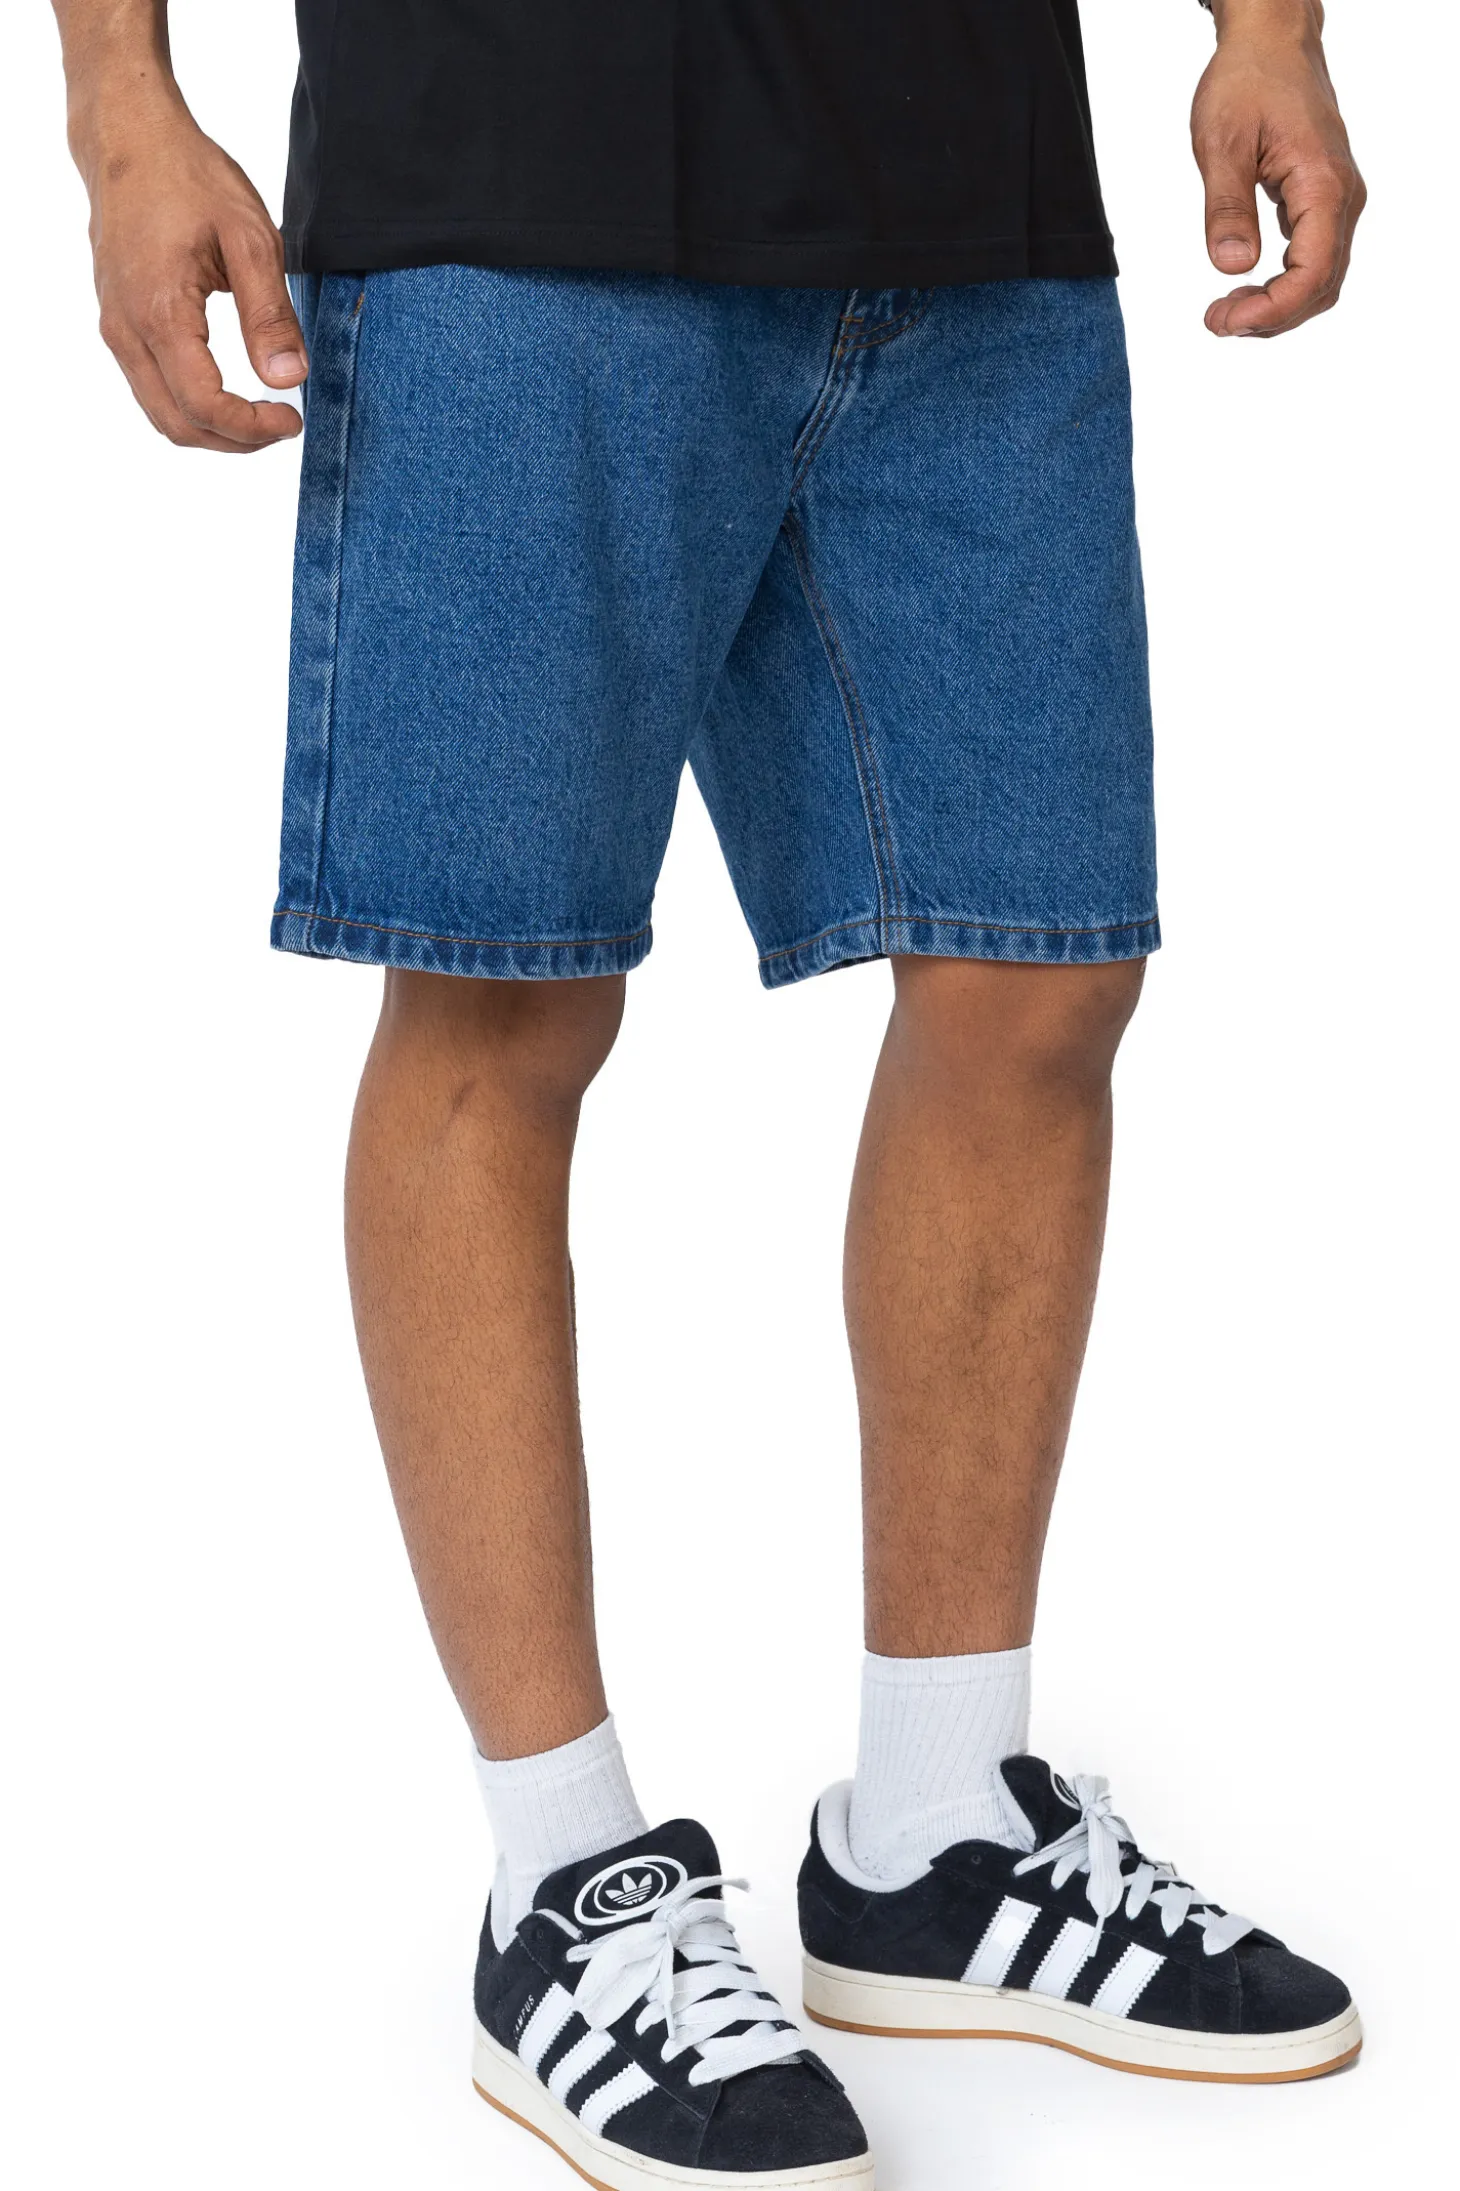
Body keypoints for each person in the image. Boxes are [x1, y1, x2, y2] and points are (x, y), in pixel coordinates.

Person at [50, 0, 1366, 2180]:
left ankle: (936, 1825)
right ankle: (562, 1881)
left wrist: (1267, 27)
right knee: (500, 1005)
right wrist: (121, 105)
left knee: (1036, 969)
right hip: (506, 183)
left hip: (965, 190)